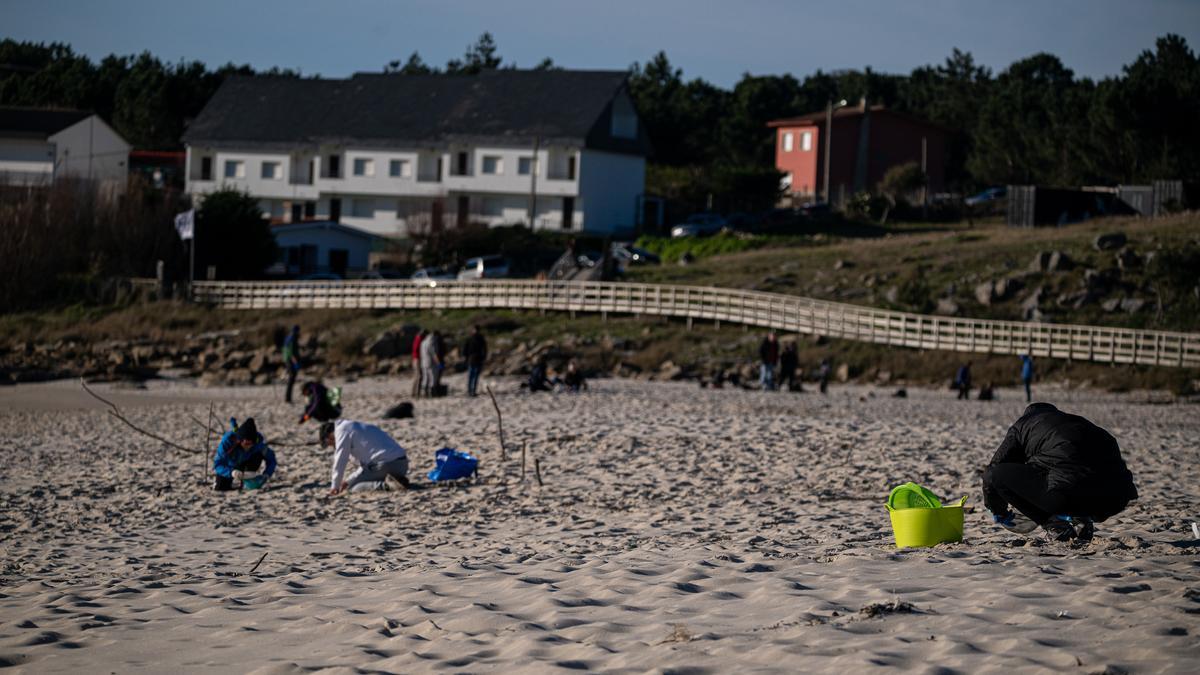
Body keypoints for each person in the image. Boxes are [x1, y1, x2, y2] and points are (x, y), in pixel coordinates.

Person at [983, 403, 1138, 542]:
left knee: (998, 474)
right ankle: (1080, 518)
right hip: (1116, 499)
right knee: (1069, 471)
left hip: (1068, 493)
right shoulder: (1075, 422)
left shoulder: (1022, 426)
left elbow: (992, 472)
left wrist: (998, 510)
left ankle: (1055, 525)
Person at [321, 420, 411, 495]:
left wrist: (335, 486)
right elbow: (365, 466)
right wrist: (347, 481)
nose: (333, 446)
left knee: (353, 488)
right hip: (402, 464)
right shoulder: (356, 426)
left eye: (330, 444)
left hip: (385, 465)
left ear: (329, 436)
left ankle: (387, 486)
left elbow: (340, 459)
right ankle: (396, 480)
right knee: (350, 483)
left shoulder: (341, 430)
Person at [212, 418, 277, 491]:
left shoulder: (258, 444)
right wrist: (231, 472)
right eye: (246, 443)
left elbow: (271, 459)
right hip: (229, 467)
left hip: (247, 468)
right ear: (239, 440)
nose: (249, 446)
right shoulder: (228, 442)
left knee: (257, 456)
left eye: (251, 443)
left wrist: (267, 474)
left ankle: (247, 483)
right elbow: (217, 464)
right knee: (220, 488)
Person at [463, 325, 487, 397]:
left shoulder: (470, 338)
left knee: (472, 376)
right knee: (474, 376)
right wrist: (483, 358)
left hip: (473, 359)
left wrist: (466, 358)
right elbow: (484, 350)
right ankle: (472, 391)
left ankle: (471, 390)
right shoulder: (480, 339)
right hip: (476, 360)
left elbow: (465, 350)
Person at [282, 325, 302, 403]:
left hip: (287, 359)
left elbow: (285, 349)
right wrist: (295, 362)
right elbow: (291, 351)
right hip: (291, 360)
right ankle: (288, 398)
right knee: (292, 377)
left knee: (292, 378)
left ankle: (288, 398)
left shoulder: (288, 337)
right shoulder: (293, 338)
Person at [419, 329, 440, 397]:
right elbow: (434, 354)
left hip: (423, 362)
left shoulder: (423, 342)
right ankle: (432, 393)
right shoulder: (432, 342)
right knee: (432, 378)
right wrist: (438, 363)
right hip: (431, 362)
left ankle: (424, 393)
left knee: (425, 378)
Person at [410, 330, 426, 398]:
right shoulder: (419, 339)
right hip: (417, 359)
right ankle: (417, 393)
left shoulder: (416, 338)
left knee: (416, 376)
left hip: (415, 359)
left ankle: (414, 392)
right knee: (419, 376)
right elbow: (417, 349)